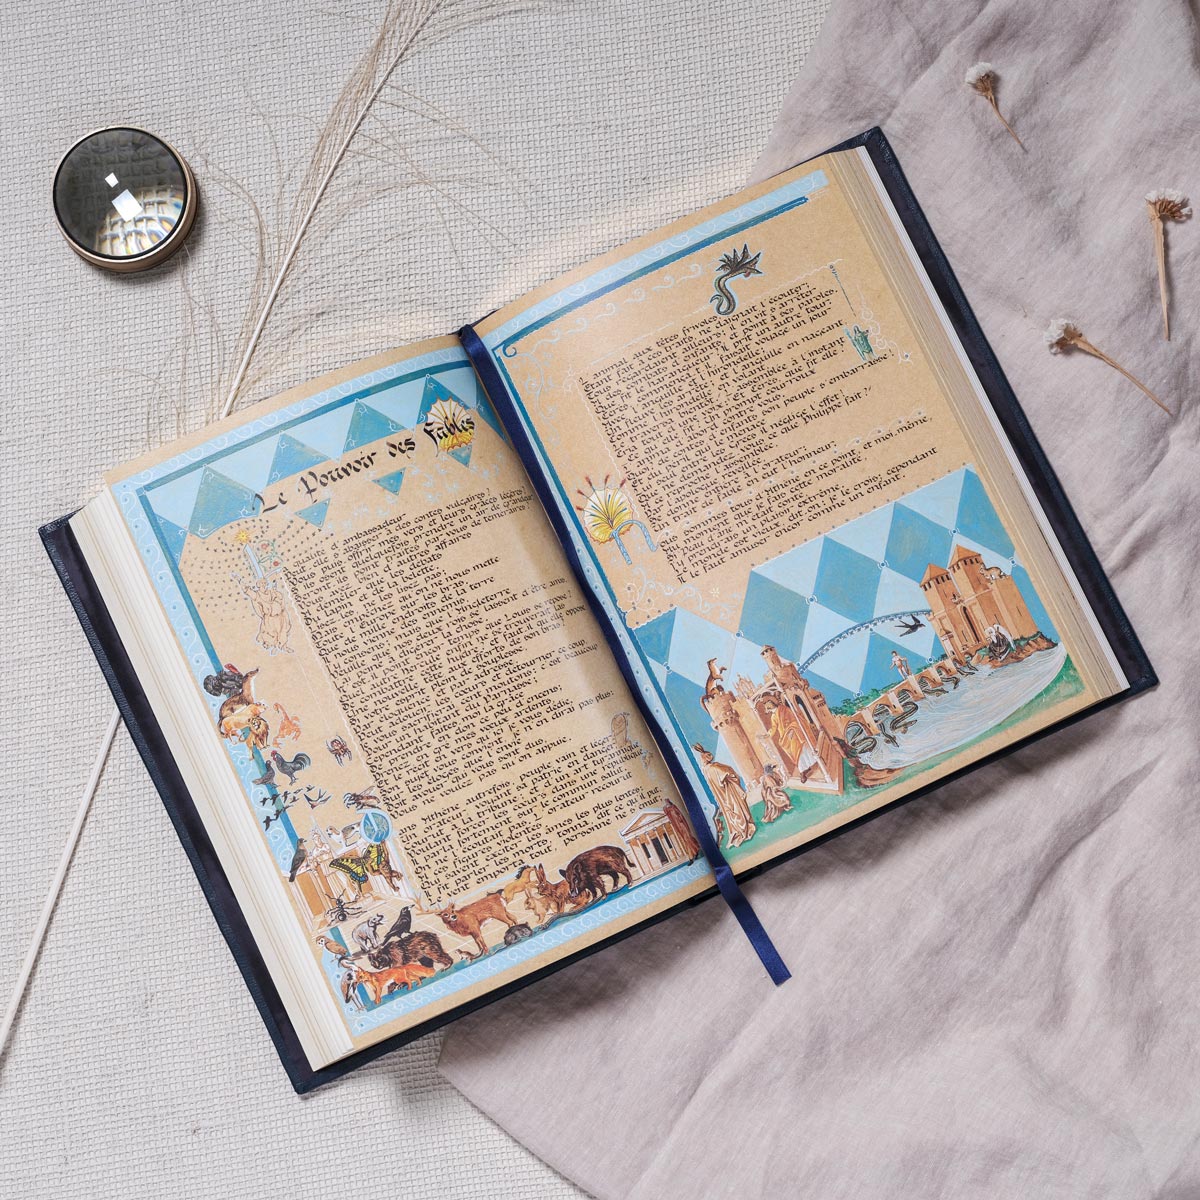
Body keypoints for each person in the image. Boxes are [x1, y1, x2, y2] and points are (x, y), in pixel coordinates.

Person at [692, 745, 756, 847]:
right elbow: (726, 774)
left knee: (733, 811)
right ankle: (743, 828)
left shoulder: (707, 769)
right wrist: (730, 772)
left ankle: (739, 829)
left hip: (724, 795)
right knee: (737, 809)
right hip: (729, 792)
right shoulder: (713, 768)